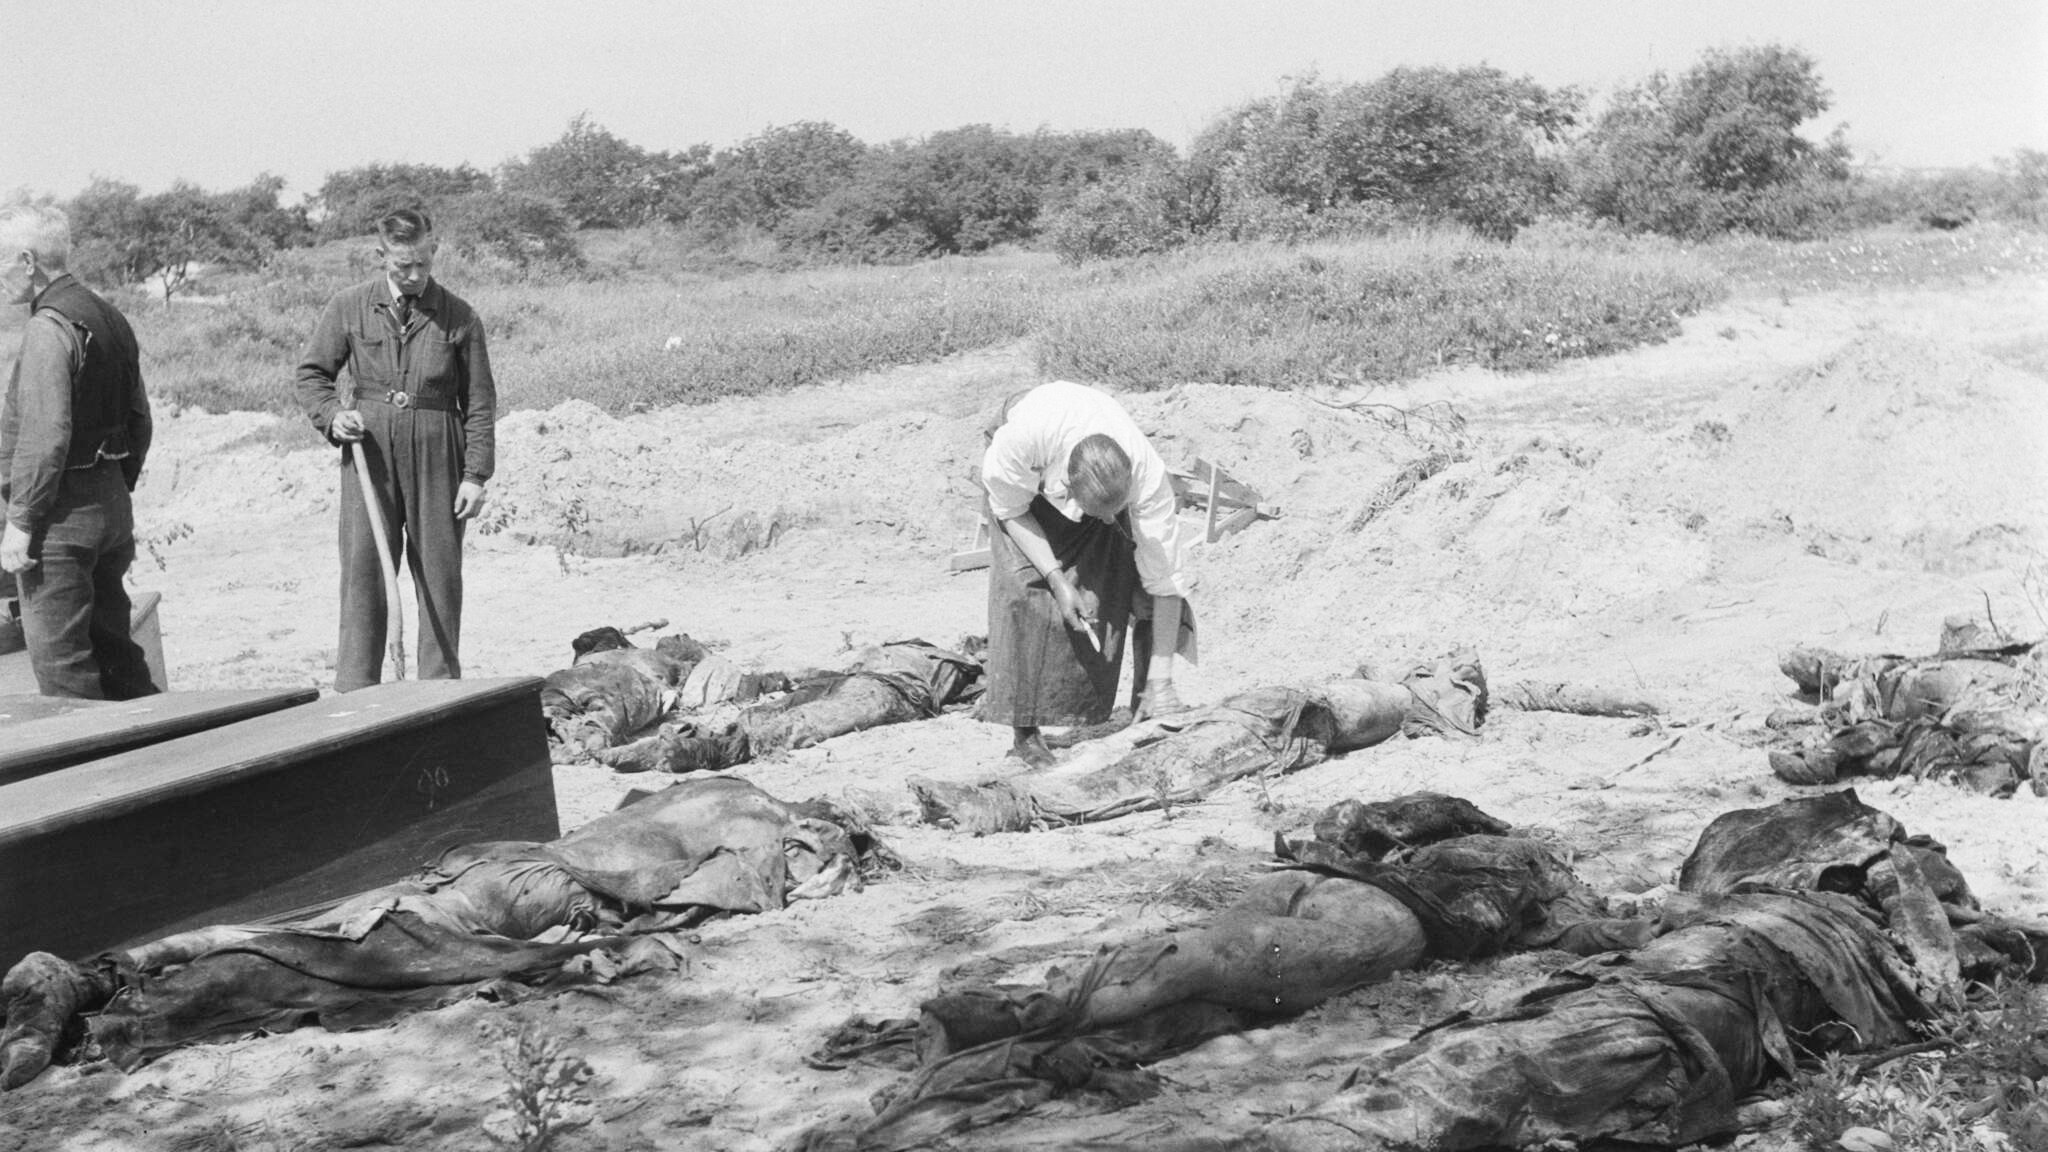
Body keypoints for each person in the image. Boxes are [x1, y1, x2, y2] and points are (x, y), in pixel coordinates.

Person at [295, 209, 495, 691]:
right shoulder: (348, 306)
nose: (414, 275)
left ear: (433, 251)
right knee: (363, 571)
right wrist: (332, 415)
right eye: (403, 265)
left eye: (423, 263)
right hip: (371, 454)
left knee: (440, 577)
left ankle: (438, 693)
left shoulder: (460, 316)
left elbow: (480, 402)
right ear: (381, 255)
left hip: (438, 451)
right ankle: (356, 691)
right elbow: (312, 375)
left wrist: (475, 475)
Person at [979, 380, 1190, 767]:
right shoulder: (1021, 443)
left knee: (1141, 588)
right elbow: (1010, 511)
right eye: (1099, 515)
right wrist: (1057, 579)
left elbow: (1167, 583)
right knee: (1025, 587)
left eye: (1116, 511)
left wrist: (1162, 679)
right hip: (1030, 459)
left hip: (1087, 462)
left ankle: (1147, 703)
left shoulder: (1147, 476)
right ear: (1068, 490)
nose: (1109, 522)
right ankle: (1025, 735)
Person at [0, 205, 157, 700]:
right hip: (110, 506)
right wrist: (114, 484)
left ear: (28, 261)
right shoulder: (108, 316)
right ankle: (162, 741)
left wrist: (21, 522)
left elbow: (45, 435)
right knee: (117, 654)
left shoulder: (48, 327)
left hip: (58, 520)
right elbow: (140, 419)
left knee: (62, 670)